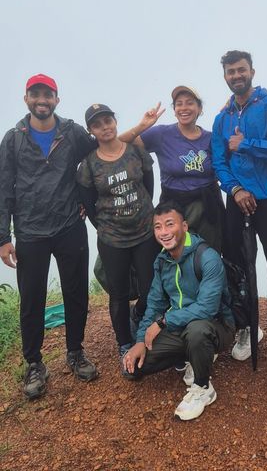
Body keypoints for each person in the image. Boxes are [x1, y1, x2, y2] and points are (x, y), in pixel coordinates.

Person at [0, 74, 98, 399]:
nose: (42, 100)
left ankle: (75, 352)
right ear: (26, 98)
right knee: (31, 300)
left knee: (76, 292)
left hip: (70, 224)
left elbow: (102, 153)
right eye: (36, 94)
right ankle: (33, 364)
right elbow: (4, 189)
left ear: (57, 99)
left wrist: (88, 200)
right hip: (30, 231)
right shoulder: (13, 139)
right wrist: (3, 237)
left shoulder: (72, 132)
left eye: (48, 95)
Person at [211, 50, 267, 371]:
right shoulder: (222, 117)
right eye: (230, 72)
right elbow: (220, 161)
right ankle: (247, 327)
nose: (236, 75)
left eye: (241, 70)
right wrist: (234, 189)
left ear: (251, 71)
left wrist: (248, 143)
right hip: (237, 201)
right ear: (224, 76)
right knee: (237, 268)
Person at [123, 201, 235, 421]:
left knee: (197, 331)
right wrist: (139, 341)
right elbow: (154, 303)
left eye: (169, 224)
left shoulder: (207, 257)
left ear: (184, 226)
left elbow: (207, 308)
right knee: (133, 369)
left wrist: (163, 322)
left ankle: (203, 388)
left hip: (216, 326)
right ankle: (193, 356)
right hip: (179, 327)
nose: (164, 232)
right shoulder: (162, 260)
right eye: (158, 227)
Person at [77, 104, 160, 376]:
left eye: (108, 120)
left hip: (145, 233)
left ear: (115, 121)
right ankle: (124, 344)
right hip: (113, 239)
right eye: (98, 124)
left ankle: (146, 332)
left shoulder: (135, 149)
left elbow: (148, 183)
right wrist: (107, 228)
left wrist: (144, 215)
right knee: (119, 293)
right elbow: (89, 204)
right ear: (91, 130)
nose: (105, 127)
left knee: (150, 288)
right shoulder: (89, 164)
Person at [120, 86, 225, 253]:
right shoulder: (162, 134)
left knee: (207, 257)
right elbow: (118, 145)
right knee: (172, 257)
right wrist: (143, 125)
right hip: (173, 206)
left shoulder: (211, 138)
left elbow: (224, 167)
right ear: (174, 110)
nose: (184, 108)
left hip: (207, 207)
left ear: (199, 109)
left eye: (190, 103)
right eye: (179, 104)